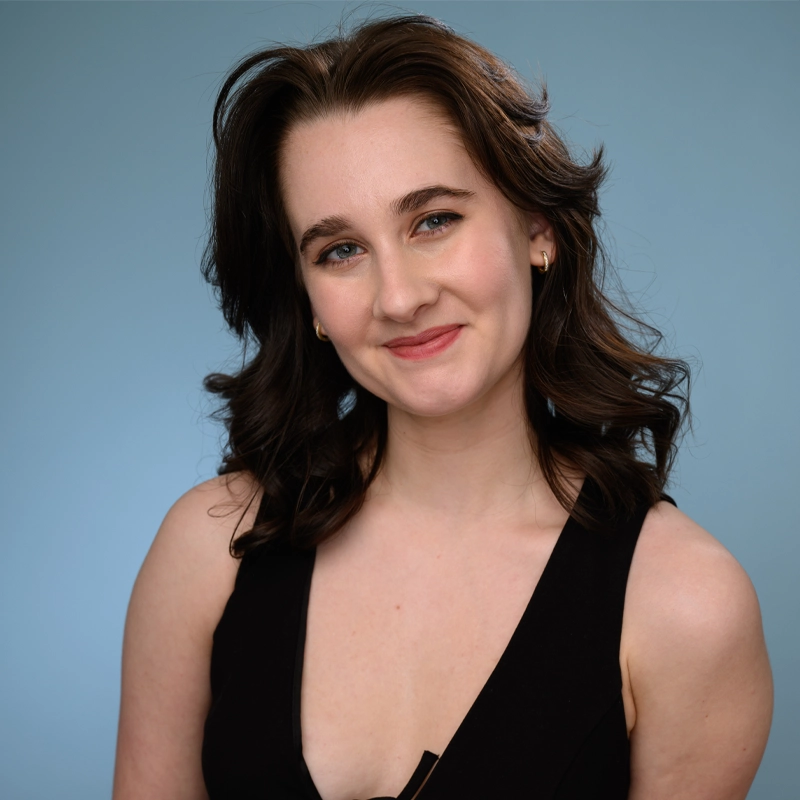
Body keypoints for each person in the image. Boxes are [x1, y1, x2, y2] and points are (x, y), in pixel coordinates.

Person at [113, 14, 773, 800]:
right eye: (340, 250)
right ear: (310, 302)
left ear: (538, 230)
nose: (399, 297)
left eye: (434, 220)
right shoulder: (209, 551)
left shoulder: (685, 606)